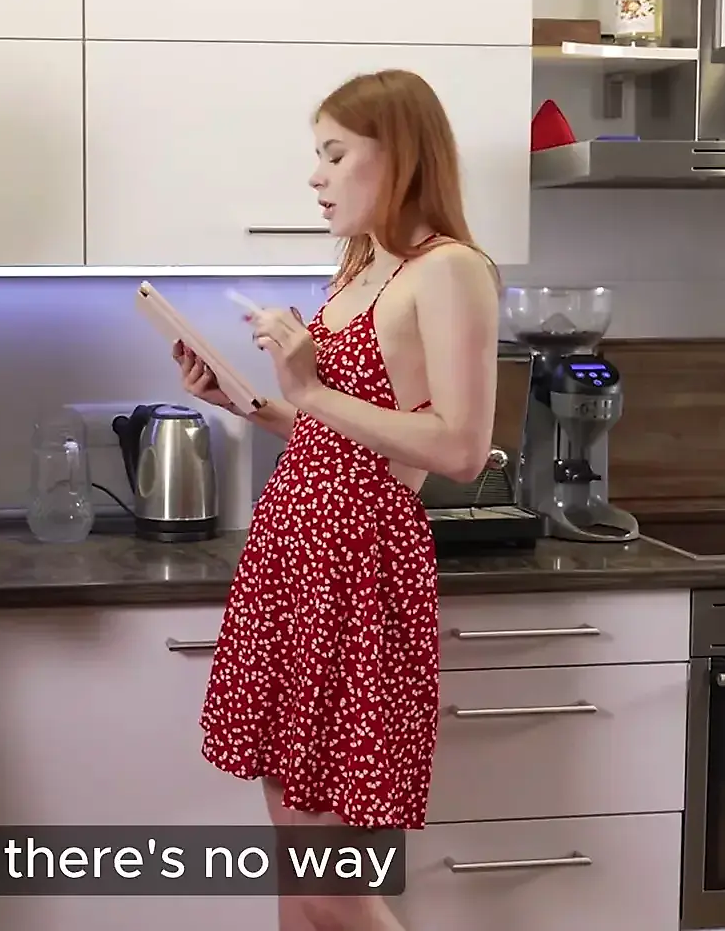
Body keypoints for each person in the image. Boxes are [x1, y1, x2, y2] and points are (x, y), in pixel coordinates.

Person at [174, 69, 499, 930]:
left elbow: (459, 449)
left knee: (331, 886)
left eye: (335, 154)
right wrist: (251, 401)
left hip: (357, 574)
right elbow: (346, 432)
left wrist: (309, 389)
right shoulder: (362, 267)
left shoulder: (450, 270)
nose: (315, 177)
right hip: (296, 565)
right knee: (297, 876)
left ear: (400, 155)